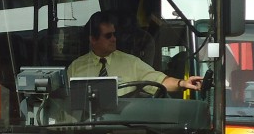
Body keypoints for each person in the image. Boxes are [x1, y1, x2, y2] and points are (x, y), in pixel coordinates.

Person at [69, 11, 202, 96]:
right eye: (108, 36)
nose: (114, 39)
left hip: (125, 130)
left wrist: (183, 83)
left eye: (114, 34)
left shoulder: (131, 63)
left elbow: (159, 80)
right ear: (93, 39)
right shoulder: (75, 68)